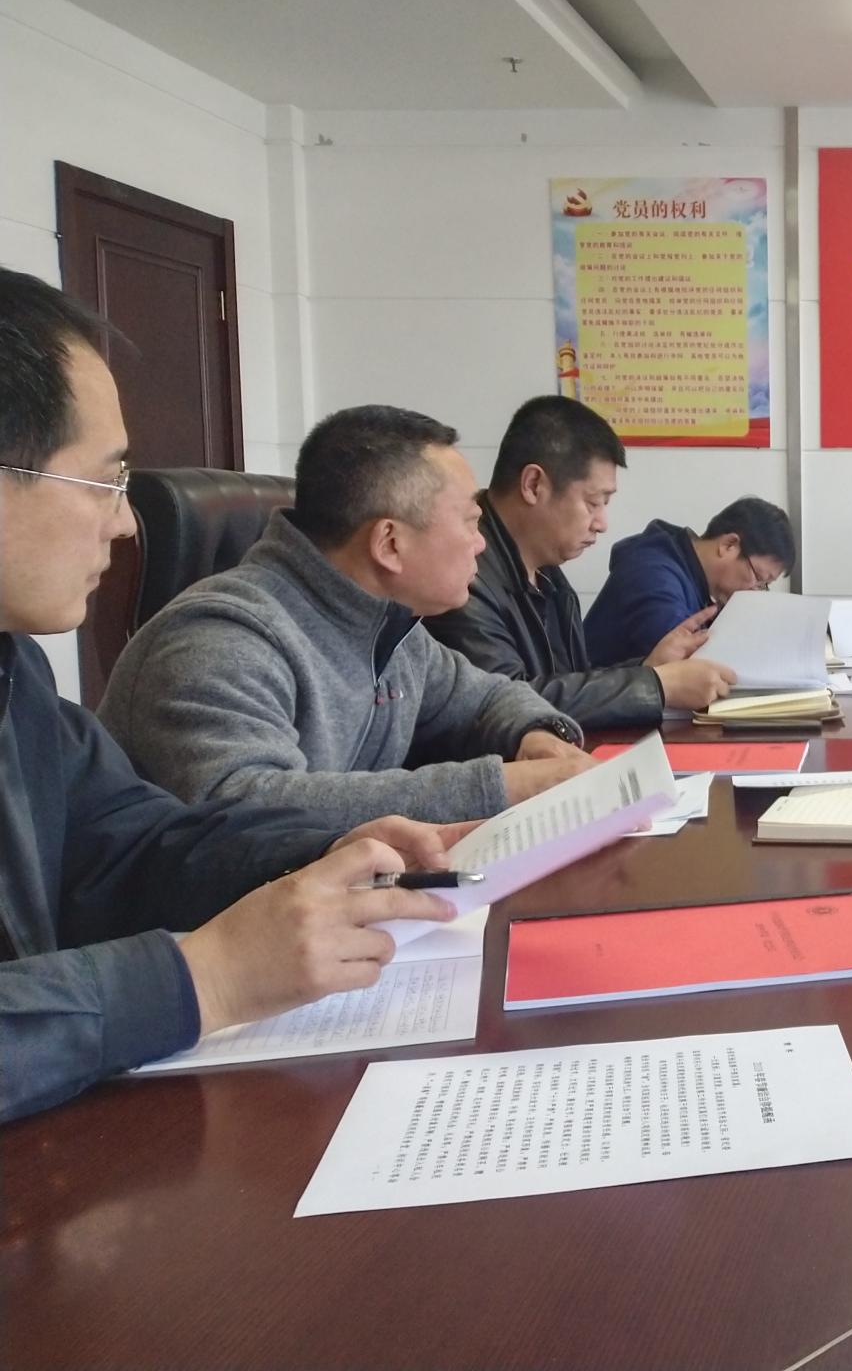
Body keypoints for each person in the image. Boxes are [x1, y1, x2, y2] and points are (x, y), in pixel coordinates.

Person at [0, 268, 465, 1121]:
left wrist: (319, 854)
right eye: (105, 481)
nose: (125, 523)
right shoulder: (221, 633)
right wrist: (204, 979)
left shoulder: (14, 674)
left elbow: (129, 846)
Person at [99, 405, 598, 826]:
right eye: (471, 522)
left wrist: (535, 735)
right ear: (390, 543)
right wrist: (499, 787)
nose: (480, 543)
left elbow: (485, 697)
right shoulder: (220, 642)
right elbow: (248, 810)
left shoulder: (390, 628)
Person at [423, 395, 735, 728]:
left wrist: (649, 668)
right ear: (533, 485)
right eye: (593, 502)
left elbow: (568, 686)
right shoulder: (462, 578)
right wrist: (656, 685)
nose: (602, 523)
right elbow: (502, 702)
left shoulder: (549, 576)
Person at [584, 496, 794, 665]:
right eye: (758, 578)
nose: (754, 592)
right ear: (729, 545)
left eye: (763, 586)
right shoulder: (654, 576)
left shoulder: (691, 575)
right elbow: (691, 664)